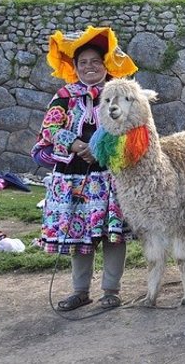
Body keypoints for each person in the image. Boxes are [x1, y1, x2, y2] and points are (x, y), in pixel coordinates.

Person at [31, 26, 138, 311]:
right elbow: (51, 128)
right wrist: (78, 144)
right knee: (78, 234)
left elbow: (133, 128)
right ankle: (80, 291)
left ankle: (111, 290)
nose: (89, 67)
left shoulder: (119, 94)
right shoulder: (64, 96)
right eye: (83, 63)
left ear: (106, 64)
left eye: (95, 61)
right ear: (75, 67)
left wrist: (100, 148)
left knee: (111, 233)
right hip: (73, 178)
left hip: (110, 175)